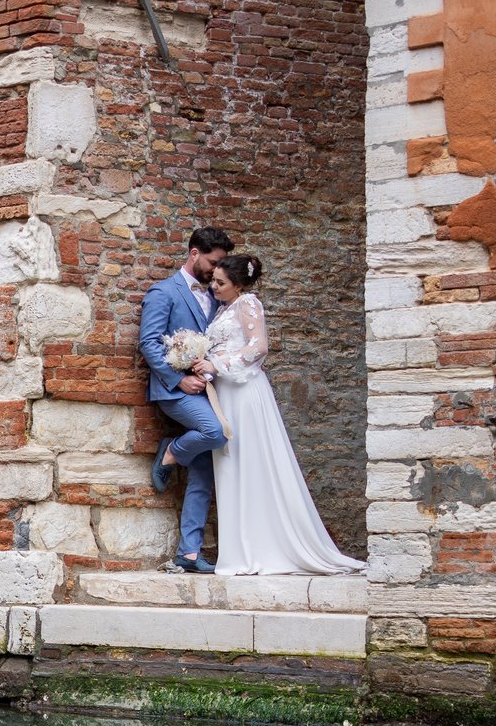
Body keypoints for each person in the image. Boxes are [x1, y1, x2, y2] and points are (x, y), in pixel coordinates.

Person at [202, 254, 366, 577]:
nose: (214, 287)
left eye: (220, 282)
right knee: (232, 464)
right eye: (214, 281)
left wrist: (217, 364)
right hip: (227, 393)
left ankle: (265, 547)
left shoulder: (248, 304)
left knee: (252, 463)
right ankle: (240, 548)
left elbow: (259, 347)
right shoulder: (224, 308)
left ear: (239, 285)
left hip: (244, 393)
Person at [139, 227, 231, 574]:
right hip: (173, 392)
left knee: (204, 473)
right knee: (215, 432)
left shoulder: (218, 296)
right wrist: (178, 379)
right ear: (194, 253)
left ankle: (188, 553)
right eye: (213, 261)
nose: (216, 269)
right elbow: (149, 343)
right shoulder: (164, 292)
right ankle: (172, 450)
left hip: (209, 391)